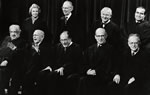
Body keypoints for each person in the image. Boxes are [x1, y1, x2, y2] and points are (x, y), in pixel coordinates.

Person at [77, 28, 114, 95]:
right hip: (90, 74)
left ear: (106, 36)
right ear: (95, 37)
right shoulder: (90, 49)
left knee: (88, 82)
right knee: (82, 80)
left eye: (102, 36)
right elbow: (83, 62)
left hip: (102, 76)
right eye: (98, 36)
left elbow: (109, 66)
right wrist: (87, 71)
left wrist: (96, 71)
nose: (100, 38)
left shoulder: (111, 50)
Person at [48, 31, 83, 95]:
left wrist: (64, 68)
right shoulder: (58, 47)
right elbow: (54, 60)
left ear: (70, 39)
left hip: (72, 70)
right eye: (61, 40)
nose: (63, 42)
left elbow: (75, 63)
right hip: (59, 70)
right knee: (50, 75)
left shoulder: (76, 47)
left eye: (65, 40)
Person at [22, 29, 51, 95]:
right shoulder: (29, 46)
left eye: (36, 35)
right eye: (33, 35)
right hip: (29, 67)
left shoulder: (47, 46)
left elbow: (46, 60)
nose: (34, 37)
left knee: (29, 75)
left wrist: (37, 52)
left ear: (42, 37)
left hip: (40, 67)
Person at [0, 24, 25, 95]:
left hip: (15, 65)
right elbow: (2, 51)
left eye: (15, 32)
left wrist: (7, 60)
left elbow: (19, 54)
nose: (13, 34)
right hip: (3, 63)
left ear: (19, 32)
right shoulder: (7, 39)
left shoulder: (22, 42)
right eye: (11, 32)